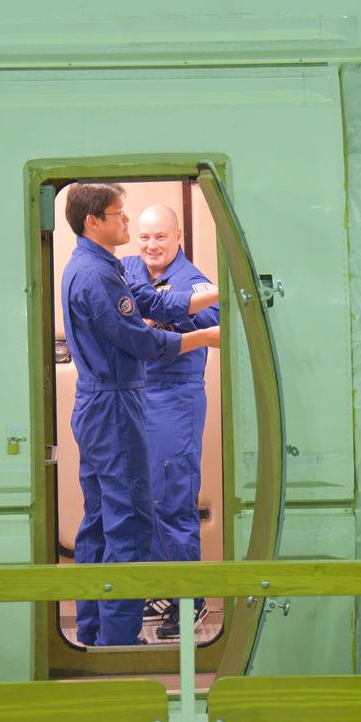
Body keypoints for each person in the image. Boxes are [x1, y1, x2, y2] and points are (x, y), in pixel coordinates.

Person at [61, 183, 219, 646]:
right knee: (127, 520)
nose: (131, 228)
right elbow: (144, 340)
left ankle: (95, 627)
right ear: (95, 221)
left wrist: (220, 294)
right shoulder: (99, 276)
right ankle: (119, 640)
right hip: (114, 405)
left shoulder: (102, 266)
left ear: (177, 240)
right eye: (122, 216)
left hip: (112, 404)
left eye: (156, 234)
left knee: (104, 518)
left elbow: (155, 304)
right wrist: (207, 338)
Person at [122, 205, 219, 639]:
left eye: (159, 237)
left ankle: (190, 602)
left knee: (171, 497)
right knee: (147, 498)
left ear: (178, 237)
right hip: (144, 398)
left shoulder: (193, 280)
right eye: (143, 238)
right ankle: (166, 588)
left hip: (175, 399)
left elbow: (213, 320)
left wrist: (159, 316)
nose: (150, 246)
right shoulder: (134, 271)